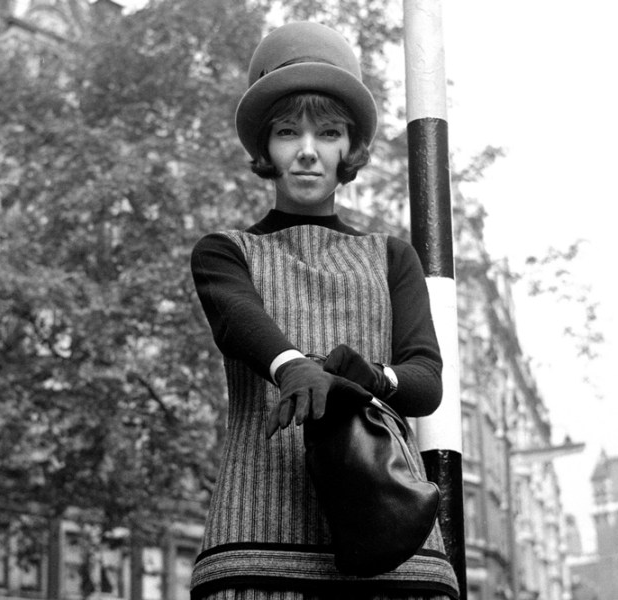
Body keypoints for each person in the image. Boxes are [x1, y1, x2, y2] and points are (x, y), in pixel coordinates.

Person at [189, 21, 459, 600]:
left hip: (390, 544)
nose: (308, 150)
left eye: (328, 133)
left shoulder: (393, 257)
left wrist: (371, 377)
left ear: (348, 149)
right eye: (288, 132)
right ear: (265, 148)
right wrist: (292, 365)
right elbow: (240, 321)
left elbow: (426, 381)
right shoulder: (225, 252)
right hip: (255, 535)